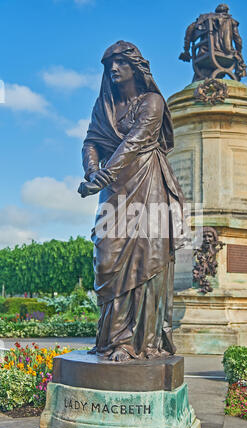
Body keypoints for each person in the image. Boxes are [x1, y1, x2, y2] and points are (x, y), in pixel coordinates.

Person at [79, 41, 188, 362]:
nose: (113, 69)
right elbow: (91, 141)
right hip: (114, 190)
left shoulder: (152, 102)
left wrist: (102, 176)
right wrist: (92, 170)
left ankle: (133, 343)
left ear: (135, 67)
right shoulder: (104, 107)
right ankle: (110, 338)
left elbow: (135, 141)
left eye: (120, 63)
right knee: (107, 256)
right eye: (109, 64)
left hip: (148, 186)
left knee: (145, 259)